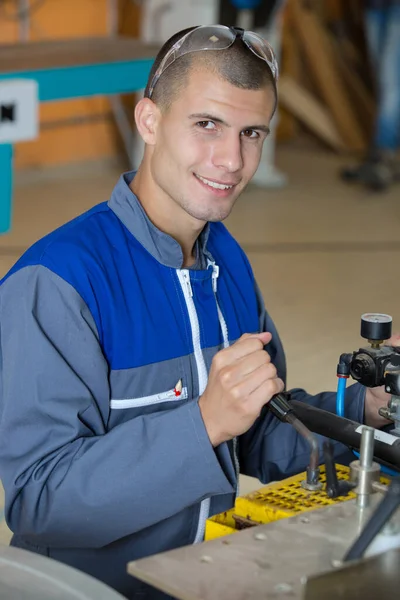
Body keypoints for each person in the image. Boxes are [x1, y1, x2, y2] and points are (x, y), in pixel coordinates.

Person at [0, 25, 395, 600]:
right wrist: (203, 423)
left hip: (201, 581)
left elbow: (261, 434)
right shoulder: (58, 282)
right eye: (207, 125)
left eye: (251, 132)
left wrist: (370, 407)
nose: (232, 159)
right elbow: (38, 502)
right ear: (150, 122)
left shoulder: (225, 260)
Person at [341, 0, 400, 191]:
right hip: (374, 5)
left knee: (391, 81)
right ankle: (383, 157)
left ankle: (382, 156)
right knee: (383, 83)